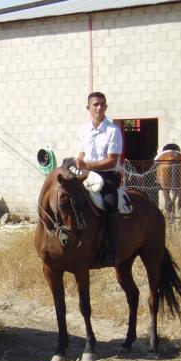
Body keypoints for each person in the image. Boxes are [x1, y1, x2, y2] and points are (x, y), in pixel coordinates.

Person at [75, 91, 123, 266]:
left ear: (106, 107)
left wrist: (88, 165)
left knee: (110, 203)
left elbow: (112, 160)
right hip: (86, 175)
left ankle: (111, 248)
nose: (99, 107)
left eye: (102, 104)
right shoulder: (82, 131)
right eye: (95, 104)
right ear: (88, 108)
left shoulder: (113, 131)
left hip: (107, 176)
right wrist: (78, 163)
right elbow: (81, 155)